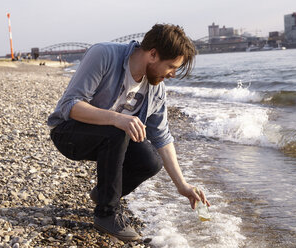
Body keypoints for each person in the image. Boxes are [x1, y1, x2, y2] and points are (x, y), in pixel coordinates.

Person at [47, 24, 210, 241]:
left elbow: (161, 137)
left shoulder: (156, 89)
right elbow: (70, 105)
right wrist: (117, 118)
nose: (172, 74)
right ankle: (106, 214)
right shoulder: (104, 54)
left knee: (151, 161)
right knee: (118, 130)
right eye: (171, 66)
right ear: (153, 54)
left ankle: (103, 195)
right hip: (68, 134)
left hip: (112, 141)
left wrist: (183, 185)